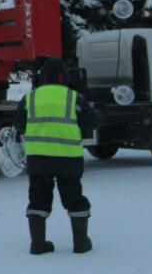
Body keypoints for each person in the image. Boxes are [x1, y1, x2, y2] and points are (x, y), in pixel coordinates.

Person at [17, 57, 99, 255]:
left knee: (38, 200)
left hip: (38, 161)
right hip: (68, 160)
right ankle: (81, 243)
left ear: (42, 77)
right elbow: (91, 122)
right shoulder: (74, 98)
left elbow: (18, 124)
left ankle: (38, 245)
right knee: (74, 199)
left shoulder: (30, 98)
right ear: (65, 77)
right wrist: (101, 113)